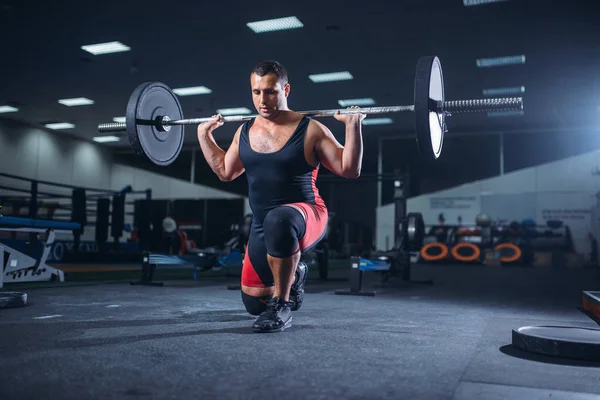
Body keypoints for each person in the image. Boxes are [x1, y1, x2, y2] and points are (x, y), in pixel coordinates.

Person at [196, 60, 365, 333]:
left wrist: (353, 126)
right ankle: (295, 274)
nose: (263, 99)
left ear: (285, 89)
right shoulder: (245, 131)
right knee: (254, 304)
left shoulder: (310, 129)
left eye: (271, 91)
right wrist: (204, 135)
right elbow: (226, 172)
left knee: (279, 220)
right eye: (256, 92)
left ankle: (283, 305)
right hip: (264, 225)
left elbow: (349, 169)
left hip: (307, 214)